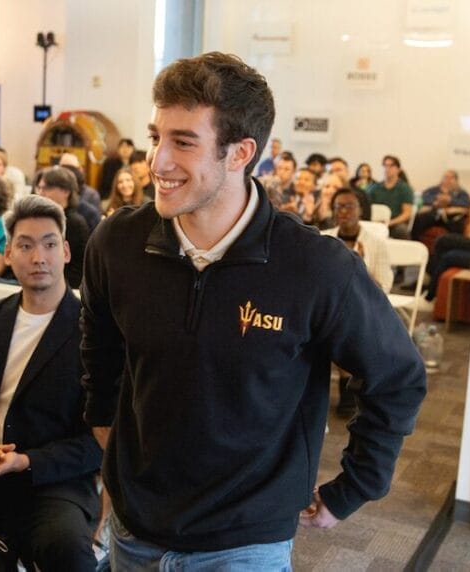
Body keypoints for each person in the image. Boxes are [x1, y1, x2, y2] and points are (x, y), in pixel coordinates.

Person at [81, 52, 426, 570]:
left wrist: (355, 487)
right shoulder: (117, 242)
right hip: (134, 530)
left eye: (183, 142)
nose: (157, 161)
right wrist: (109, 437)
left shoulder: (314, 266)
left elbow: (396, 376)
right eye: (156, 137)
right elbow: (100, 352)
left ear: (240, 153)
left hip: (245, 543)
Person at [0, 195, 101, 571]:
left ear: (67, 252)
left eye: (49, 244)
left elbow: (100, 439)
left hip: (49, 481)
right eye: (25, 245)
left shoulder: (95, 334)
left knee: (68, 549)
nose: (39, 257)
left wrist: (25, 461)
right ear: (8, 254)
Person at [321, 187, 393, 416]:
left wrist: (358, 268)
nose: (343, 211)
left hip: (363, 307)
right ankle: (346, 387)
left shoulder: (376, 244)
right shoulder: (322, 241)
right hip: (326, 306)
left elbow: (382, 286)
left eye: (349, 206)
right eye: (338, 206)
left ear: (361, 209)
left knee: (347, 324)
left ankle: (347, 386)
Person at [34, 166, 89, 289]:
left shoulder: (74, 223)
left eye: (47, 188)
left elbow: (76, 270)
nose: (40, 193)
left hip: (65, 288)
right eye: (39, 188)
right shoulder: (41, 220)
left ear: (65, 191)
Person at [412, 169, 470, 240]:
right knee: (419, 219)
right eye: (446, 177)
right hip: (434, 214)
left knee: (458, 225)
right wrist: (435, 201)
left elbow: (466, 203)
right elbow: (423, 198)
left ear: (456, 180)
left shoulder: (461, 192)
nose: (448, 180)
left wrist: (450, 200)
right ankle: (416, 243)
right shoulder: (433, 190)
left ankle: (453, 248)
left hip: (450, 216)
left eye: (451, 178)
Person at [370, 154, 414, 239]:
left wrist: (389, 222)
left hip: (395, 223)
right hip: (376, 223)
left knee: (402, 231)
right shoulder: (375, 188)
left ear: (398, 169)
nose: (387, 169)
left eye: (391, 166)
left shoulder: (404, 188)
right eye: (385, 165)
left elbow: (407, 213)